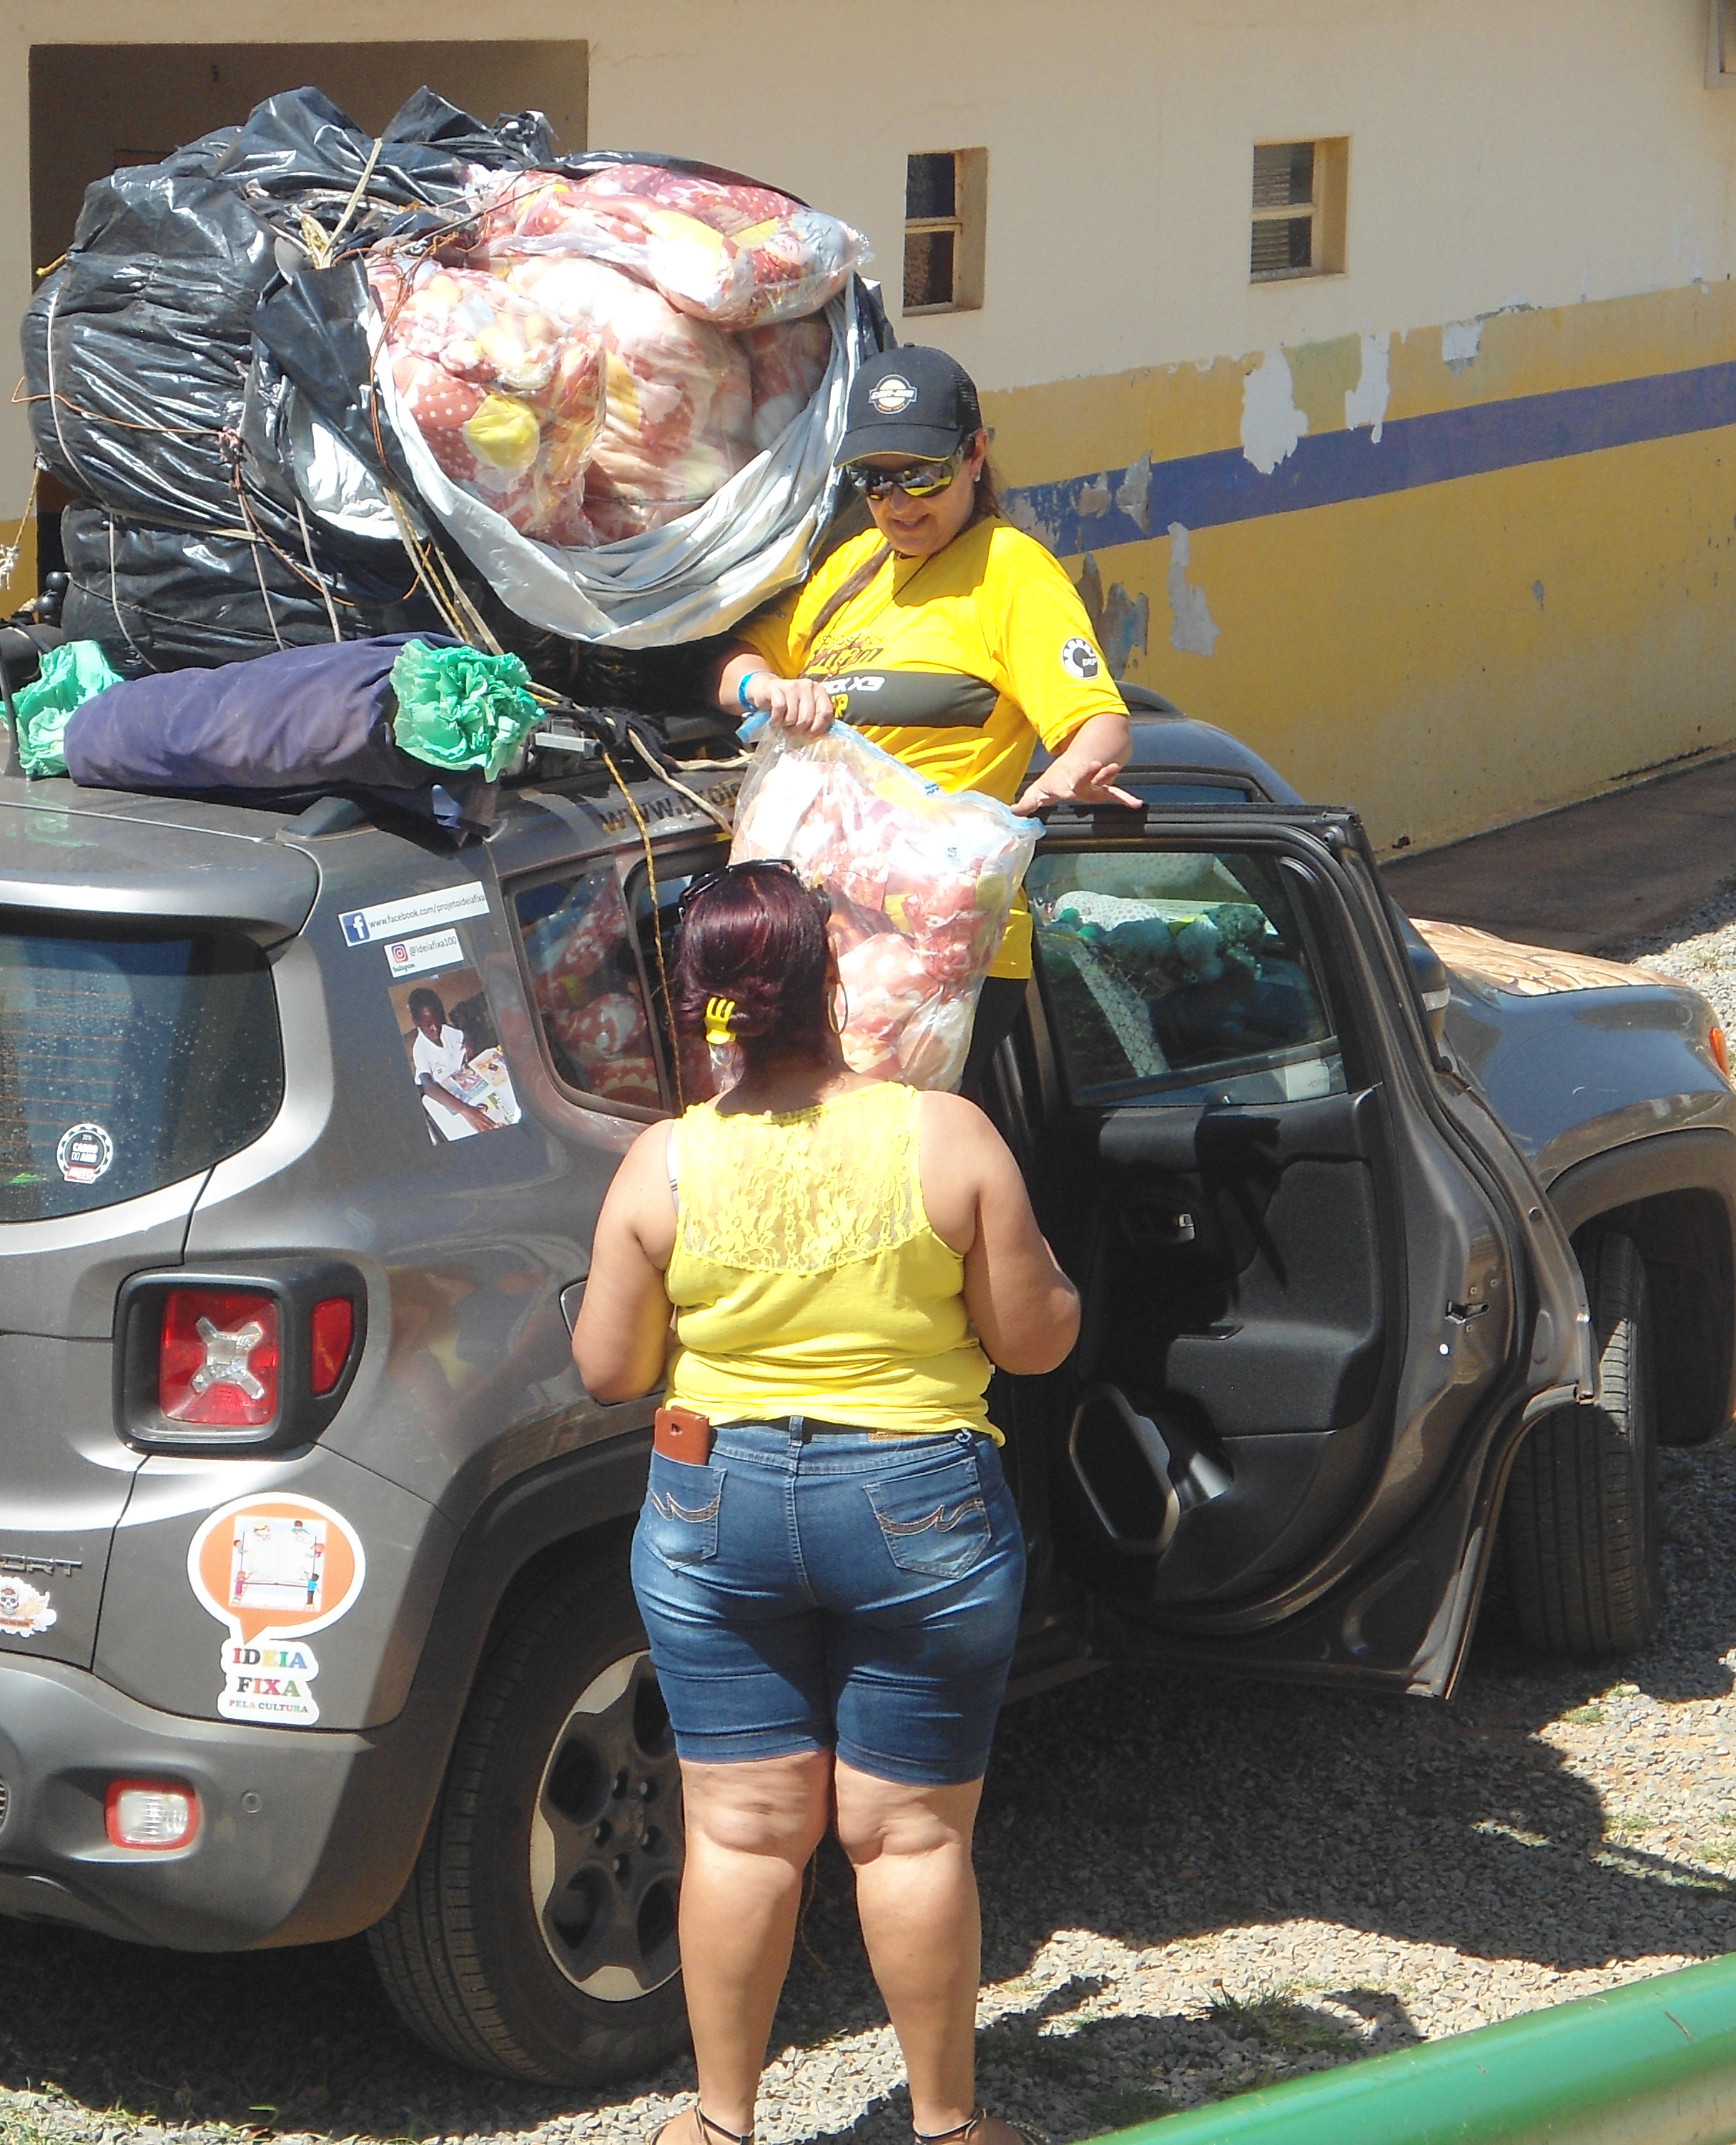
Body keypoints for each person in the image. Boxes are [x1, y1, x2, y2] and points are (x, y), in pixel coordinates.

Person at [573, 862, 1082, 2145]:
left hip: (715, 1506)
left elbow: (611, 1370)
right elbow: (1032, 1345)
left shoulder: (664, 1162)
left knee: (743, 1833)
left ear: (706, 1005)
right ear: (834, 982)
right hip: (917, 1507)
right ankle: (948, 2128)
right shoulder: (946, 1136)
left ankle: (718, 2127)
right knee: (909, 1840)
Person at [718, 345, 1143, 1093]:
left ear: (975, 454)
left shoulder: (1009, 571)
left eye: (922, 475)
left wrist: (1072, 773)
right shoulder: (855, 565)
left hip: (937, 950)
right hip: (818, 940)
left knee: (882, 1154)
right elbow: (738, 667)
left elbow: (1099, 721)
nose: (899, 504)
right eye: (875, 481)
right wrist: (767, 687)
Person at [406, 986, 499, 1138]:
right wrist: (466, 1111)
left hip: (465, 1088)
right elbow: (428, 1086)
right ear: (416, 1022)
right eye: (429, 1026)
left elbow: (463, 1035)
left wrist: (468, 1042)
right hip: (446, 1101)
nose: (436, 1029)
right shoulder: (420, 1049)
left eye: (437, 1022)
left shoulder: (446, 1030)